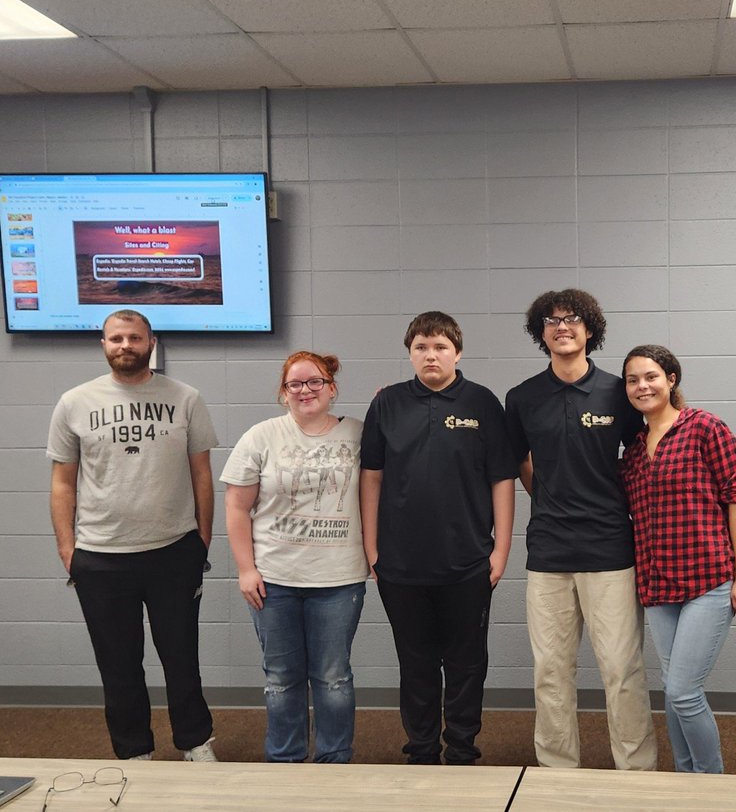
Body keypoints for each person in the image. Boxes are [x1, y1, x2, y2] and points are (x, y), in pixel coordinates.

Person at [47, 309, 218, 762]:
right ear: (103, 345)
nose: (125, 345)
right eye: (116, 338)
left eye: (134, 338)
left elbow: (201, 473)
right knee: (118, 664)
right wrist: (69, 549)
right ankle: (134, 750)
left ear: (151, 342)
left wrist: (202, 539)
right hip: (101, 557)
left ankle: (195, 743)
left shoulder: (186, 398)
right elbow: (63, 481)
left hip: (173, 551)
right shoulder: (74, 402)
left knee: (182, 659)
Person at [505, 289, 657, 771]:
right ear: (541, 333)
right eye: (551, 321)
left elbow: (645, 455)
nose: (561, 326)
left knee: (621, 669)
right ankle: (556, 771)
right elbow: (520, 464)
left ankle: (636, 770)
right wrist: (550, 499)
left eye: (572, 319)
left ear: (590, 330)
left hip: (611, 550)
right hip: (548, 552)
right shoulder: (523, 397)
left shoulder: (619, 392)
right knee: (551, 670)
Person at [360, 311, 515, 765]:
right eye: (422, 347)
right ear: (410, 353)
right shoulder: (386, 403)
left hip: (468, 563)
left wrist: (501, 550)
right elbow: (371, 478)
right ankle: (422, 749)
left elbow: (502, 480)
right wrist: (371, 548)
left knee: (467, 664)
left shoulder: (483, 403)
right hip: (400, 565)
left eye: (440, 346)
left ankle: (463, 749)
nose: (431, 355)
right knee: (416, 663)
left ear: (457, 352)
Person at [221, 351, 369, 763]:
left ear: (332, 387)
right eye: (295, 384)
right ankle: (285, 762)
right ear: (283, 393)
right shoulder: (261, 437)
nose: (306, 390)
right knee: (282, 679)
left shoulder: (358, 433)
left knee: (333, 678)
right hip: (275, 580)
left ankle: (334, 761)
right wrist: (246, 569)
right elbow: (236, 507)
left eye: (315, 382)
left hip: (338, 580)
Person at [620, 345, 736, 773]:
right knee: (671, 689)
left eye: (651, 376)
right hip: (658, 586)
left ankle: (711, 783)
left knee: (683, 691)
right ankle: (684, 780)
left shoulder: (704, 428)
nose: (642, 386)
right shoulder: (636, 449)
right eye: (632, 380)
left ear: (671, 379)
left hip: (708, 582)